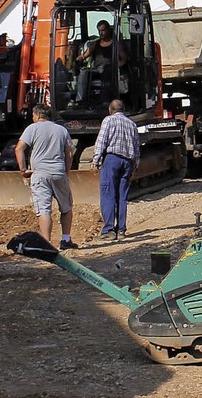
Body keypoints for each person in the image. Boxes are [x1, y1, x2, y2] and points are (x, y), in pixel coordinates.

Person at [14, 103, 78, 250]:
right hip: (58, 172)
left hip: (39, 174)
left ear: (37, 115)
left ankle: (46, 244)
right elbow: (69, 154)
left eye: (33, 116)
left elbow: (19, 149)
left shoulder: (32, 129)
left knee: (44, 210)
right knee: (66, 207)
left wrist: (23, 170)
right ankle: (66, 239)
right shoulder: (61, 130)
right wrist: (66, 172)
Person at [91, 99, 140, 241]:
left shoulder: (109, 120)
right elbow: (137, 147)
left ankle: (109, 230)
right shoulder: (132, 124)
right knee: (122, 196)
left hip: (112, 159)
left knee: (108, 193)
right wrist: (135, 165)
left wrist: (96, 160)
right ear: (123, 109)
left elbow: (102, 140)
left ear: (110, 109)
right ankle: (121, 230)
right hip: (127, 162)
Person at [75, 20, 127, 103]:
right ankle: (80, 99)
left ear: (108, 30)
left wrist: (118, 65)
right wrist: (78, 60)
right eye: (99, 31)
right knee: (84, 72)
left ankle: (104, 100)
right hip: (96, 69)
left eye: (103, 30)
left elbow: (123, 58)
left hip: (110, 69)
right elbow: (84, 55)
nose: (101, 33)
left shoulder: (116, 44)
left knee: (106, 71)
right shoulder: (95, 44)